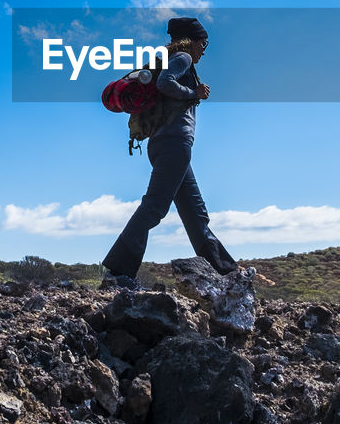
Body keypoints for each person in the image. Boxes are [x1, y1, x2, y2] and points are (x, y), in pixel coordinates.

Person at [102, 16, 238, 286]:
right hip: (174, 144)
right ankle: (118, 271)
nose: (204, 49)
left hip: (165, 144)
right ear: (193, 41)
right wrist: (194, 93)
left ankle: (226, 273)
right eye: (204, 43)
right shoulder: (182, 58)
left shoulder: (168, 58)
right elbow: (165, 83)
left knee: (195, 215)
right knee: (154, 207)